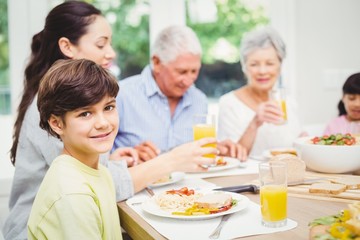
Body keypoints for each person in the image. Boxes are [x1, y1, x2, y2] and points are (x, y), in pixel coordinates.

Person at [4, 3, 217, 239]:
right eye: (100, 44)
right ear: (67, 46)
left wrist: (114, 159)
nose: (111, 52)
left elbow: (90, 170)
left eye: (108, 108)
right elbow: (92, 184)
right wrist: (172, 160)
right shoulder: (53, 106)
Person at [113, 25, 247, 162]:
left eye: (194, 71)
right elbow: (99, 157)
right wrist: (129, 156)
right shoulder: (121, 95)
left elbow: (197, 153)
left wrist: (218, 150)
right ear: (157, 62)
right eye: (181, 72)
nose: (189, 81)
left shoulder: (198, 99)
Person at [28, 59, 124, 239]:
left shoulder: (100, 172)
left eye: (108, 107)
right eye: (85, 113)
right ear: (57, 123)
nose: (103, 123)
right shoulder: (73, 193)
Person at [218, 26, 303, 156]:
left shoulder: (289, 102)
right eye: (254, 64)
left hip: (287, 175)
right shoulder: (229, 103)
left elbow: (298, 144)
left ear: (280, 66)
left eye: (269, 63)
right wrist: (255, 123)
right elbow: (230, 157)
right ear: (244, 67)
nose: (262, 71)